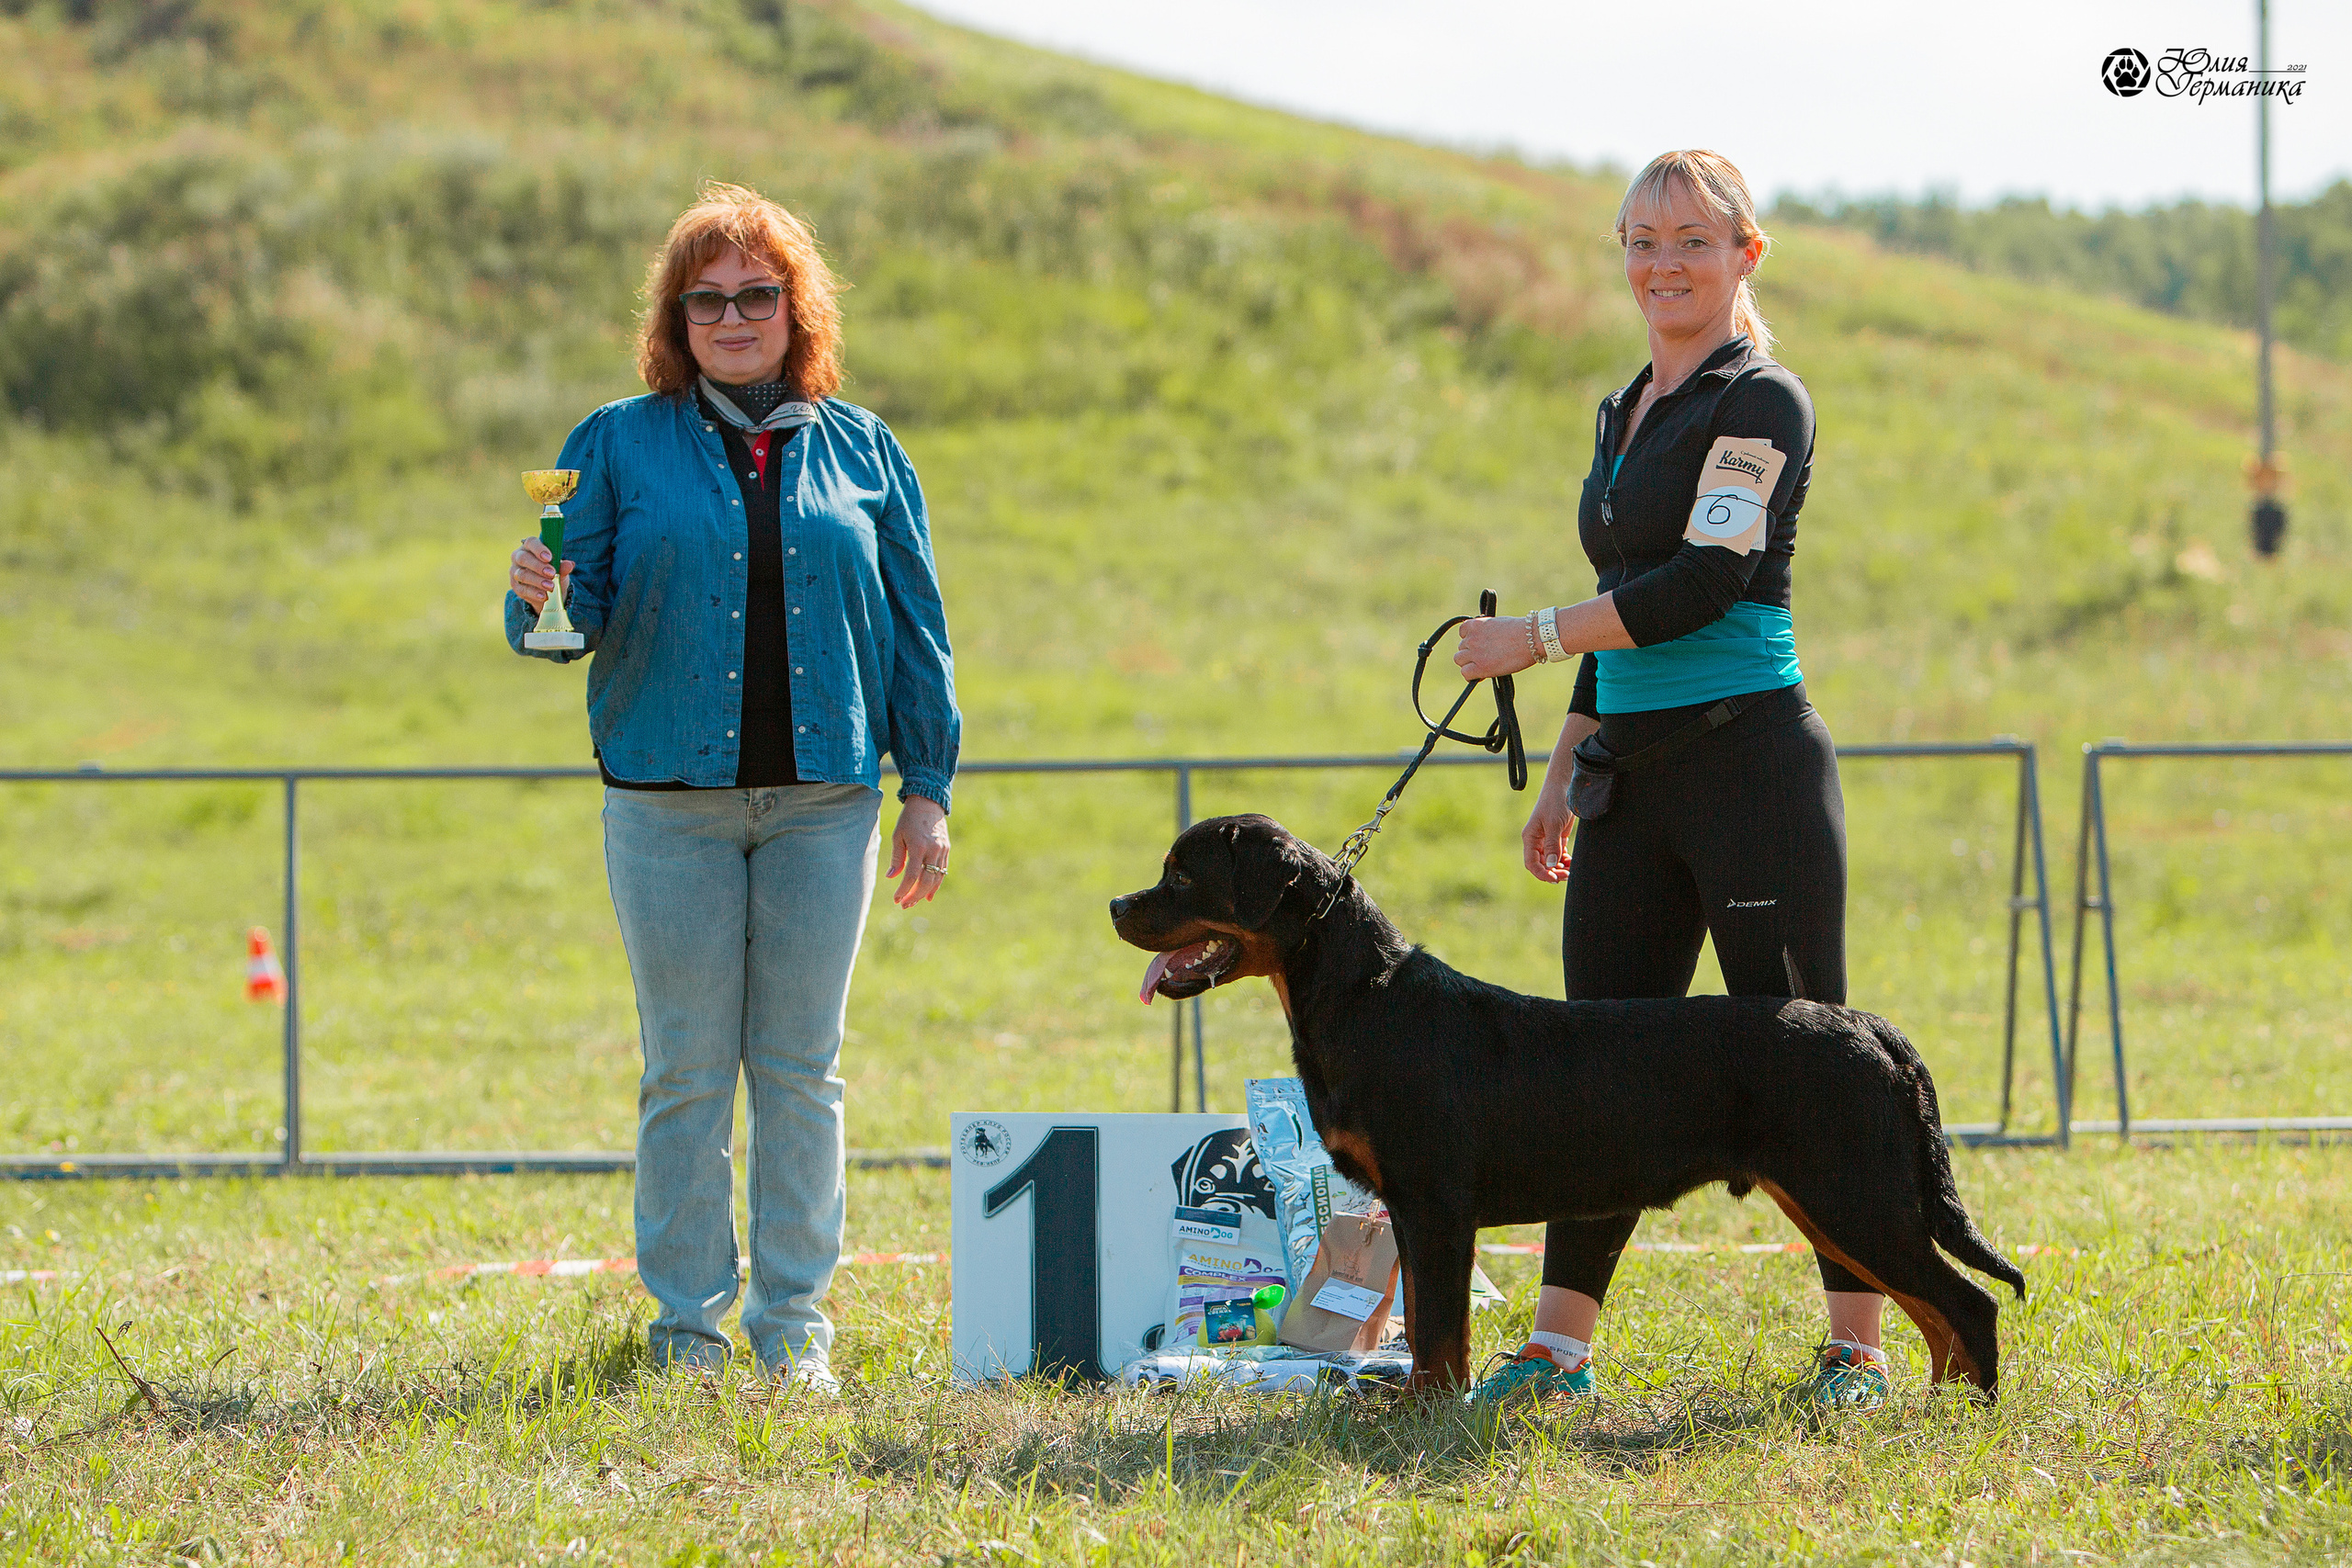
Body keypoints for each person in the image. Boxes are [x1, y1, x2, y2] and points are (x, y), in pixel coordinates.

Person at [504, 182, 959, 1393]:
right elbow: (572, 616)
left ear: (797, 309)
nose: (733, 318)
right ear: (676, 318)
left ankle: (795, 1328)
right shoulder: (614, 443)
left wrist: (929, 784)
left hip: (826, 803)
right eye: (705, 301)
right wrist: (540, 596)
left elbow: (917, 628)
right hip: (666, 804)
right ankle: (687, 1334)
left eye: (758, 294)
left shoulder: (868, 449)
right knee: (686, 1072)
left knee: (802, 1071)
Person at [1451, 151, 1883, 1409]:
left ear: (1747, 254)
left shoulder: (1765, 401)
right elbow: (1628, 598)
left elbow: (1703, 583)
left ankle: (1857, 1348)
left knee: (1806, 1059)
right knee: (1596, 1064)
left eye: (1692, 240)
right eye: (1642, 241)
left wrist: (1531, 638)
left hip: (1752, 770)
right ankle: (1558, 1350)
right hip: (1631, 784)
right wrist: (1566, 765)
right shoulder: (1622, 406)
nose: (1663, 265)